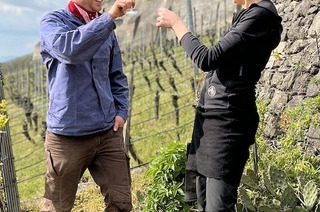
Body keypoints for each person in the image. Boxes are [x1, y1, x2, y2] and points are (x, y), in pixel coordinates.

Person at [156, 0, 282, 211]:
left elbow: (207, 59)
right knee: (204, 204)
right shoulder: (246, 15)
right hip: (211, 119)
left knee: (217, 207)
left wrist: (177, 23)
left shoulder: (260, 17)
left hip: (228, 121)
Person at [39, 0, 135, 211]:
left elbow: (116, 74)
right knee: (57, 207)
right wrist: (108, 18)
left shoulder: (106, 27)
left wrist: (121, 111)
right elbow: (71, 51)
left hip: (108, 133)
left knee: (121, 204)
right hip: (67, 138)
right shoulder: (53, 22)